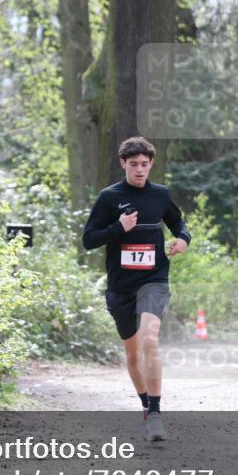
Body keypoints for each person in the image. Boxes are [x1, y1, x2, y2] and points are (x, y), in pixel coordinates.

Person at [82, 137, 190, 441]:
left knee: (150, 340)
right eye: (134, 165)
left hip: (154, 279)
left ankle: (156, 413)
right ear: (123, 164)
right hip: (120, 285)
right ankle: (145, 406)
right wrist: (119, 228)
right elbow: (89, 240)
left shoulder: (160, 195)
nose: (140, 170)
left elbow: (179, 224)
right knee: (132, 355)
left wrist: (183, 240)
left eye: (145, 164)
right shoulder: (109, 197)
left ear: (151, 164)